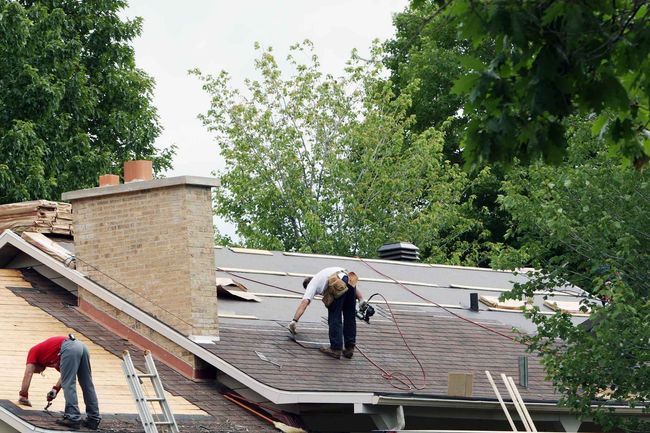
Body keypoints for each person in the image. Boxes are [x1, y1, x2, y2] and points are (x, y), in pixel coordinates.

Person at [18, 335, 101, 430]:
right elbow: (64, 376)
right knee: (87, 383)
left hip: (69, 346)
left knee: (69, 384)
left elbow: (28, 374)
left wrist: (23, 396)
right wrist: (55, 389)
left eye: (36, 371)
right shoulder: (50, 357)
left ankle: (72, 417)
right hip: (81, 346)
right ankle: (93, 419)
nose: (38, 372)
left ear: (35, 364)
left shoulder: (34, 351)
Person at [288, 267, 367, 359]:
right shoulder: (324, 275)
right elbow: (349, 283)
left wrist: (294, 321)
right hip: (349, 280)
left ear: (307, 285)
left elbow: (304, 303)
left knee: (334, 316)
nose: (317, 294)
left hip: (337, 284)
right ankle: (349, 348)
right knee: (349, 316)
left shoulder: (312, 284)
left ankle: (336, 348)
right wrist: (361, 299)